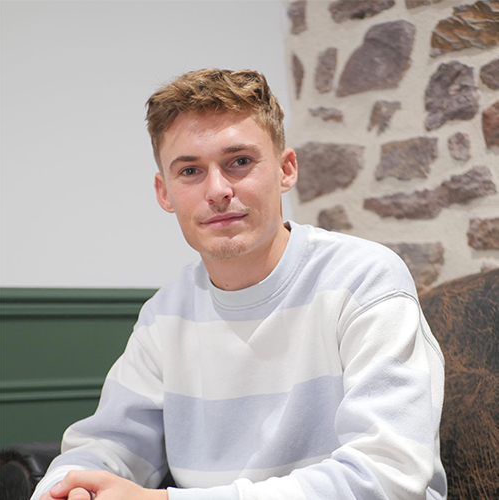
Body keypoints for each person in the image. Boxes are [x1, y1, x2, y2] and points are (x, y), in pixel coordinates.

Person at [33, 68, 447, 500]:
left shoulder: (364, 280)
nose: (217, 190)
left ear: (286, 170)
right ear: (164, 193)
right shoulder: (165, 314)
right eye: (190, 171)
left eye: (240, 162)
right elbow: (104, 447)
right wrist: (68, 490)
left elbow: (387, 477)